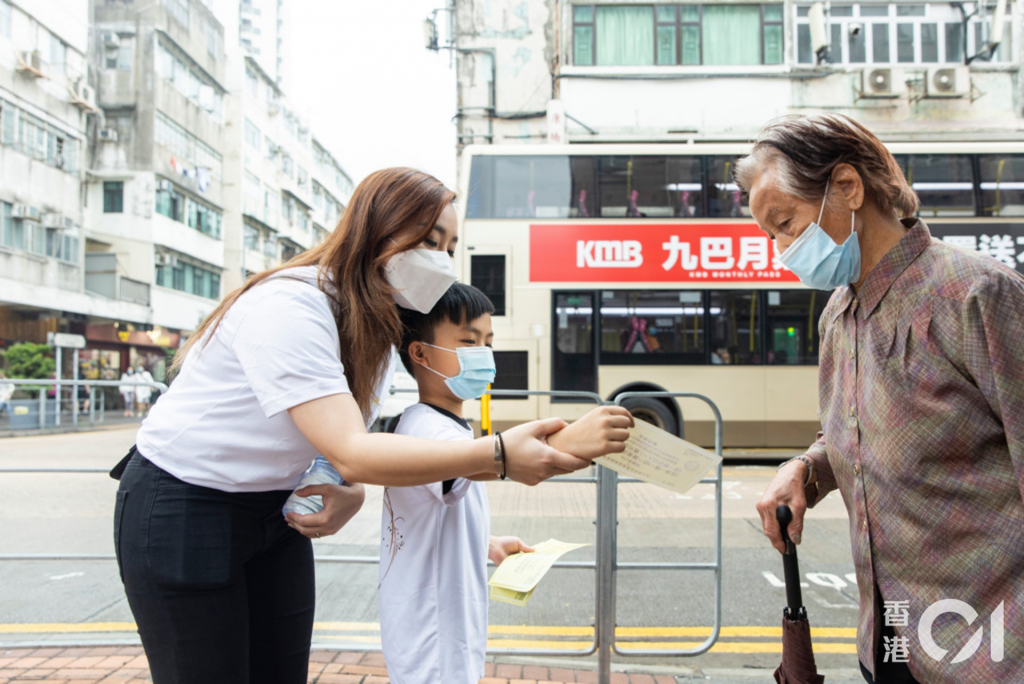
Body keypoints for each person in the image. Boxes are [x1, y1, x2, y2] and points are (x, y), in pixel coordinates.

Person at [113, 167, 633, 684]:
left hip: (274, 512)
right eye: (431, 241)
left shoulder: (374, 326)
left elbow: (337, 450)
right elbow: (351, 448)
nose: (442, 260)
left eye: (450, 246)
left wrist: (349, 487)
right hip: (183, 506)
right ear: (378, 232)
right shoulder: (291, 306)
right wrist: (496, 455)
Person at [738, 114, 1024, 683]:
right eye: (771, 235)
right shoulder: (837, 317)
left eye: (787, 224)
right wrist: (806, 469)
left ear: (847, 187)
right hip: (889, 643)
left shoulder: (977, 294)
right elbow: (854, 430)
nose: (782, 251)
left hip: (993, 649)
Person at [379, 282, 538, 684]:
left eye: (488, 342)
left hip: (430, 629)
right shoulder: (431, 431)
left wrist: (485, 542)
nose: (484, 354)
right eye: (468, 342)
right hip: (435, 640)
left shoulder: (432, 424)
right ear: (420, 353)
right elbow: (488, 463)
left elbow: (431, 516)